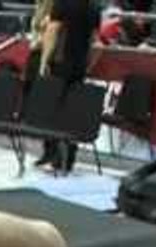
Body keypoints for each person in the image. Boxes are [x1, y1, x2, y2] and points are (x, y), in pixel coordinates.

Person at [36, 0, 101, 172]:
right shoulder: (94, 8)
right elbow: (96, 43)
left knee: (52, 109)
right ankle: (67, 159)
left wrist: (44, 61)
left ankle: (50, 154)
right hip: (78, 66)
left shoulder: (62, 4)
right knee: (71, 113)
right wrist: (87, 65)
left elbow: (52, 31)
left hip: (59, 62)